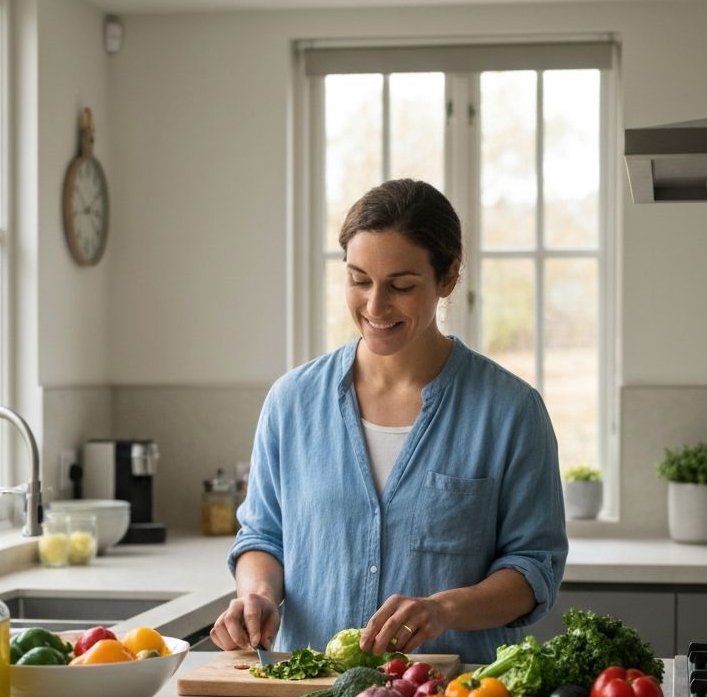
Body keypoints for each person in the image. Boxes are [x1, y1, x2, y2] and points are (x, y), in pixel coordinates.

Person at [210, 178, 566, 662]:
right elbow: (262, 537)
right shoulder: (291, 402)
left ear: (448, 278)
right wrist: (258, 596)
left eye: (400, 286)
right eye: (359, 281)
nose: (374, 307)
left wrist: (445, 609)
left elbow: (533, 568)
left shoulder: (510, 411)